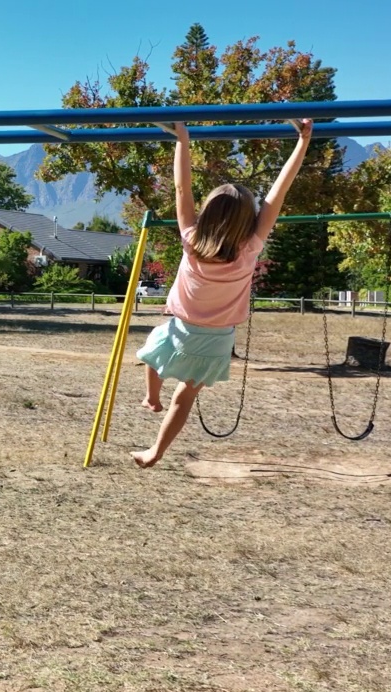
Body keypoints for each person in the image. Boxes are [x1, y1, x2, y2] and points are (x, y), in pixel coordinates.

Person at [131, 119, 314, 468]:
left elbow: (182, 190)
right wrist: (301, 143)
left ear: (208, 214)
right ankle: (155, 451)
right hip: (217, 340)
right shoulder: (250, 247)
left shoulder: (192, 241)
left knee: (152, 353)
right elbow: (278, 194)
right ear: (248, 221)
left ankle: (150, 398)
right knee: (184, 398)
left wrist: (183, 139)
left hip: (179, 328)